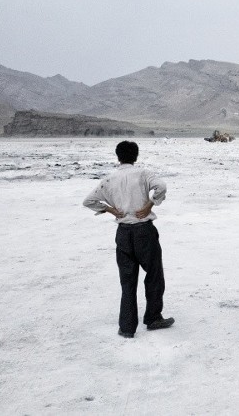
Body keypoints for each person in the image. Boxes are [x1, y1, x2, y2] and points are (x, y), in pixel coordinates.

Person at [83, 140, 174, 338]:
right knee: (154, 275)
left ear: (118, 157)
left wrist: (109, 209)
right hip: (144, 232)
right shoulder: (142, 174)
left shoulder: (109, 179)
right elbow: (161, 186)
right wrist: (150, 204)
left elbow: (88, 201)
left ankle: (126, 327)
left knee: (127, 280)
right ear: (136, 156)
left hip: (123, 233)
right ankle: (153, 317)